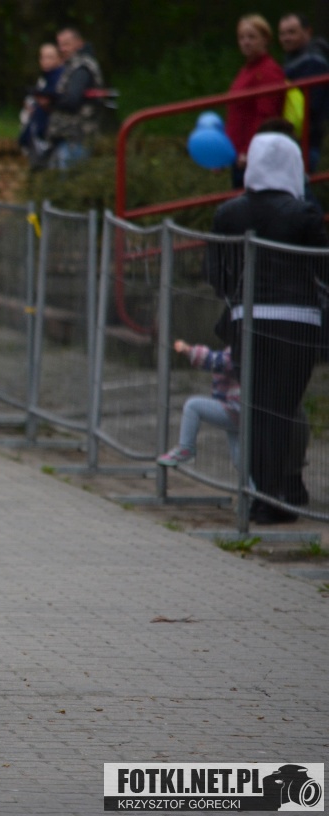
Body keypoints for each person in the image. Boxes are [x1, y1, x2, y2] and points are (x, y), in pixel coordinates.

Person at [205, 131, 329, 524]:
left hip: (249, 319)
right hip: (298, 323)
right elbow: (323, 268)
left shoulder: (228, 213)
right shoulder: (304, 214)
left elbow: (217, 271)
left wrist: (236, 298)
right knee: (283, 408)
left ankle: (263, 495)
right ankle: (280, 492)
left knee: (257, 408)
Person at [157, 340, 241, 470]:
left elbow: (216, 361)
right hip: (238, 411)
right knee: (240, 461)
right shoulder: (245, 346)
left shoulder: (242, 348)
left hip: (234, 409)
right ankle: (252, 482)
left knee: (193, 406)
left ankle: (186, 449)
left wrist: (189, 350)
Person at [226, 14, 287, 188]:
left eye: (252, 37)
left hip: (254, 156)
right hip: (238, 154)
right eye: (242, 37)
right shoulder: (247, 70)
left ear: (265, 39)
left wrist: (249, 151)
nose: (246, 42)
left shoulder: (267, 71)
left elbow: (266, 116)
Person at [44, 27, 104, 170]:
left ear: (79, 43)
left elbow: (72, 100)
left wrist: (51, 101)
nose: (62, 49)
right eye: (60, 45)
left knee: (69, 178)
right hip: (68, 137)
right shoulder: (72, 66)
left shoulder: (82, 67)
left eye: (67, 44)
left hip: (76, 138)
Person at [278, 12, 329, 169]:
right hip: (295, 138)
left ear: (308, 32)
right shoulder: (292, 59)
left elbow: (313, 105)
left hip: (304, 141)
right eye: (282, 34)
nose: (286, 38)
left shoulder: (314, 61)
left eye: (292, 32)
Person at [18, 43, 64, 171]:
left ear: (59, 59)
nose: (45, 61)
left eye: (50, 57)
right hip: (36, 135)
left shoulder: (61, 79)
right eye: (43, 57)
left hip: (49, 136)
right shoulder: (43, 80)